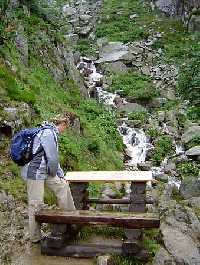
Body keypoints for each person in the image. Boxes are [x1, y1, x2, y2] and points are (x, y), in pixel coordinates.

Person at [21, 112, 77, 243]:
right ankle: (35, 237)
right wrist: (56, 174)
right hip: (34, 172)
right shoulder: (48, 133)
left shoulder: (51, 132)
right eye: (66, 127)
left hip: (45, 170)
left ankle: (70, 219)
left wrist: (60, 175)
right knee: (36, 204)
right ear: (62, 124)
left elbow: (52, 159)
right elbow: (52, 159)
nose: (65, 130)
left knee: (63, 186)